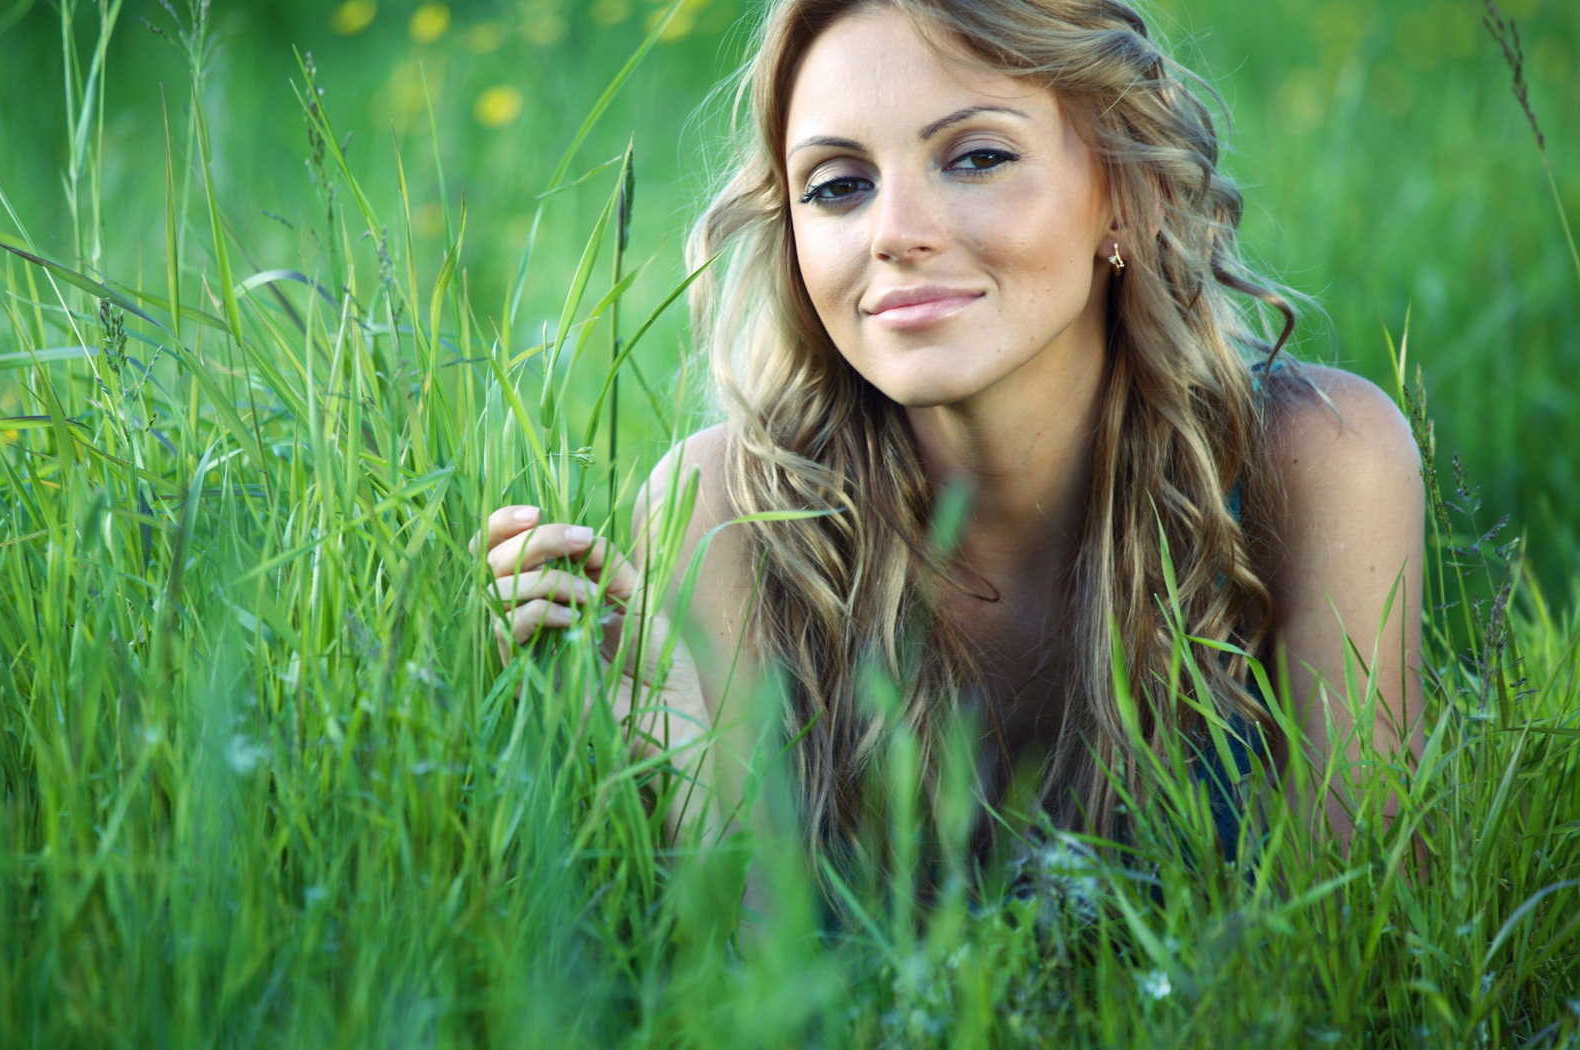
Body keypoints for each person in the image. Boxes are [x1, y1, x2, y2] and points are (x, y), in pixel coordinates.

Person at [479, 0, 1425, 894]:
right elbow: (750, 977)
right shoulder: (736, 510)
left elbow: (1354, 953)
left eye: (974, 158)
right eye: (839, 185)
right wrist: (654, 745)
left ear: (1124, 196)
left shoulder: (1317, 464)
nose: (895, 235)